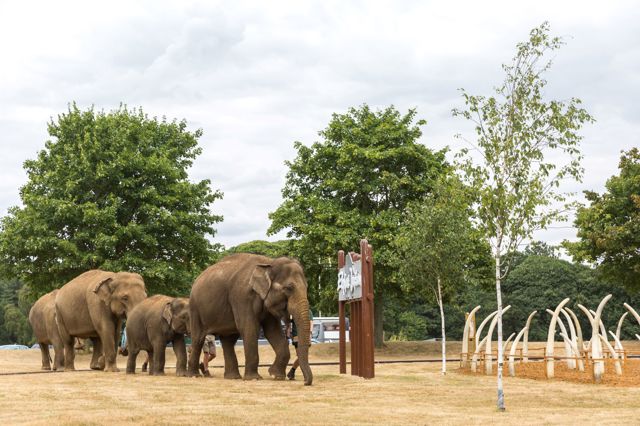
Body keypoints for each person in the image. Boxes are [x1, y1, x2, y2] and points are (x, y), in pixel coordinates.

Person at [286, 311, 313, 380]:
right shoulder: (294, 311)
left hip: (305, 336)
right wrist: (288, 334)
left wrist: (310, 334)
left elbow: (311, 322)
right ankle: (304, 374)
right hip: (296, 337)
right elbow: (289, 322)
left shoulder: (308, 311)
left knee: (302, 357)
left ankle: (292, 371)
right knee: (301, 356)